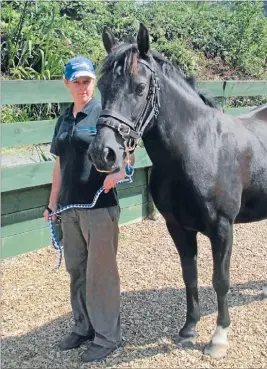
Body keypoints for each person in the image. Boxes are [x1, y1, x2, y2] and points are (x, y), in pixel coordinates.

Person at [43, 56, 132, 362]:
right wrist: (52, 203)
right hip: (69, 207)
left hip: (99, 206)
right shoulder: (64, 119)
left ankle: (108, 337)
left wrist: (118, 175)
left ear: (94, 82)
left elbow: (127, 158)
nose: (82, 87)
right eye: (77, 82)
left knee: (101, 275)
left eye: (87, 81)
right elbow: (59, 163)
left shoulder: (106, 114)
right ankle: (84, 327)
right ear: (67, 83)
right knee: (77, 271)